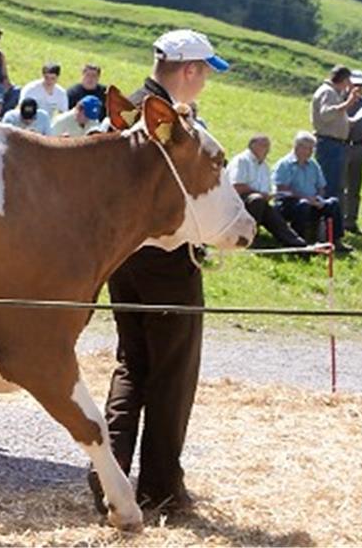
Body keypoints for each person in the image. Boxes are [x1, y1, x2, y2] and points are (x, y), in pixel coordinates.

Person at [94, 28, 231, 517]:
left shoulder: (125, 107)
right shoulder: (169, 122)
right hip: (168, 261)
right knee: (172, 373)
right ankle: (160, 488)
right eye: (205, 73)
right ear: (189, 70)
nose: (205, 83)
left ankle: (106, 479)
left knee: (132, 365)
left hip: (124, 258)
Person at [226, 134, 308, 249]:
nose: (267, 150)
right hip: (236, 203)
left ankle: (297, 244)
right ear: (252, 146)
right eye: (264, 145)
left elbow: (266, 190)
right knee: (257, 200)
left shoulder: (264, 166)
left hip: (259, 203)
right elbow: (236, 187)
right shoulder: (242, 160)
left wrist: (269, 195)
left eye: (268, 146)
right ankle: (251, 238)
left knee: (271, 213)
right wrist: (260, 194)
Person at [273, 132, 349, 251]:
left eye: (312, 149)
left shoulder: (313, 165)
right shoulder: (285, 164)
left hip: (312, 201)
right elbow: (282, 189)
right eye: (307, 148)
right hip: (289, 203)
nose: (310, 152)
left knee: (333, 203)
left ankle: (335, 240)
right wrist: (307, 198)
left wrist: (318, 199)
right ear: (297, 147)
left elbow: (321, 186)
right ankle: (299, 242)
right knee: (303, 205)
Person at [311, 65, 359, 203]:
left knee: (335, 184)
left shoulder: (334, 93)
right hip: (329, 144)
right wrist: (347, 104)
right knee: (329, 185)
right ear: (343, 80)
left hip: (335, 144)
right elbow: (326, 114)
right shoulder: (328, 92)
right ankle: (325, 220)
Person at [344, 71, 362, 233]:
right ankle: (338, 218)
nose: (358, 88)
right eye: (355, 84)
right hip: (343, 145)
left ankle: (351, 220)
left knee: (355, 185)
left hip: (359, 146)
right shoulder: (341, 100)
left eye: (361, 85)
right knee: (340, 184)